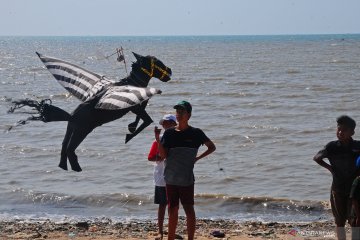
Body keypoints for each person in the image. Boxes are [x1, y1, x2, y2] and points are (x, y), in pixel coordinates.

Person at [158, 100, 216, 240]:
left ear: (189, 115)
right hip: (170, 178)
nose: (178, 114)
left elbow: (212, 147)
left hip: (186, 179)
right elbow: (163, 155)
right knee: (172, 209)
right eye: (177, 112)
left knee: (189, 209)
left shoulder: (196, 133)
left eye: (182, 112)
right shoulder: (169, 133)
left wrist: (197, 158)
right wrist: (157, 139)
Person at [314, 115, 360, 240]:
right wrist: (330, 168)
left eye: (344, 130)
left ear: (352, 132)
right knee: (339, 222)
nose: (340, 132)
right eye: (338, 129)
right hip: (338, 188)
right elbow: (317, 158)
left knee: (355, 221)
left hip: (355, 190)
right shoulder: (332, 147)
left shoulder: (358, 146)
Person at [148, 114, 177, 240]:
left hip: (175, 176)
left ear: (174, 124)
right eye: (164, 123)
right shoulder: (158, 139)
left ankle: (171, 231)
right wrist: (161, 157)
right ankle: (160, 231)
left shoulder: (178, 138)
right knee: (162, 205)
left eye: (168, 123)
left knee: (173, 205)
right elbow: (150, 157)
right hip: (161, 176)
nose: (165, 125)